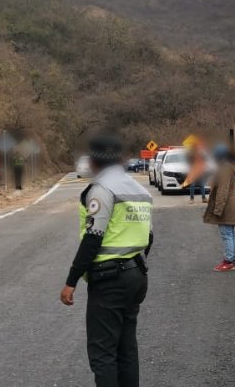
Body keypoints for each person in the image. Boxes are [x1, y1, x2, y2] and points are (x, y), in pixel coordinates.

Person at [60, 135, 154, 387]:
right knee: (126, 350)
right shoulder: (138, 189)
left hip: (110, 278)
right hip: (136, 274)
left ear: (94, 161)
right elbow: (149, 236)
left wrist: (71, 281)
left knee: (103, 354)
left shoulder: (102, 189)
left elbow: (93, 238)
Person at [203, 144, 235, 271]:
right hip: (231, 205)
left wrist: (218, 210)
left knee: (226, 234)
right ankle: (233, 260)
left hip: (226, 206)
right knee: (230, 233)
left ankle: (229, 260)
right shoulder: (230, 167)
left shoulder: (224, 169)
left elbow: (222, 192)